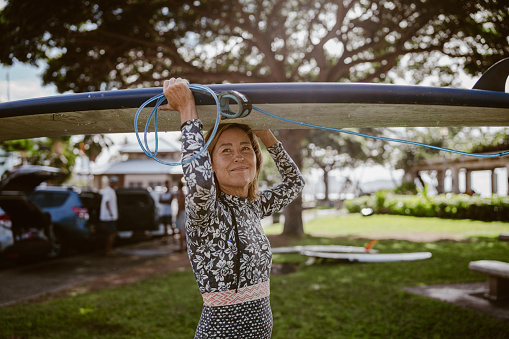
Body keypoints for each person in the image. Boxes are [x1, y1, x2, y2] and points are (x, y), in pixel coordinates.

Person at [161, 78, 305, 338]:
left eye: (245, 149)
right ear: (211, 165)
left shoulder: (252, 206)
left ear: (256, 159)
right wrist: (186, 109)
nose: (238, 156)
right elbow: (201, 183)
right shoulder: (205, 210)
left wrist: (264, 134)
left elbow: (295, 183)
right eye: (225, 150)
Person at [99, 176, 119, 256]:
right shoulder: (108, 191)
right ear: (111, 183)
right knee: (111, 233)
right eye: (115, 182)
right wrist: (111, 213)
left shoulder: (111, 191)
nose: (116, 184)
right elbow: (106, 202)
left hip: (111, 216)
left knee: (111, 233)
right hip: (108, 217)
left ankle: (108, 249)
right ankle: (108, 250)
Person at [175, 180, 186, 252]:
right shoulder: (182, 194)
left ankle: (182, 247)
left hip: (181, 213)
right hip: (183, 213)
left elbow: (180, 206)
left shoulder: (181, 195)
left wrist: (177, 214)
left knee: (181, 231)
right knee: (182, 231)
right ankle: (184, 246)